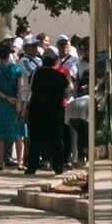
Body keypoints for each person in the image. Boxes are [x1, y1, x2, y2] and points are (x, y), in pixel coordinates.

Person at [26, 37, 71, 175]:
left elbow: (31, 88)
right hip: (55, 110)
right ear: (55, 59)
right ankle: (58, 167)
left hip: (37, 109)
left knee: (35, 139)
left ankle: (32, 167)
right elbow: (66, 91)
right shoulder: (60, 75)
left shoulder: (36, 73)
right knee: (56, 139)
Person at [0, 40, 26, 170]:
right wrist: (18, 102)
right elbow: (20, 87)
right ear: (9, 54)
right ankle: (19, 161)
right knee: (18, 133)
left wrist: (6, 97)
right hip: (15, 102)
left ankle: (0, 161)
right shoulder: (17, 69)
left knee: (0, 133)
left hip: (1, 102)